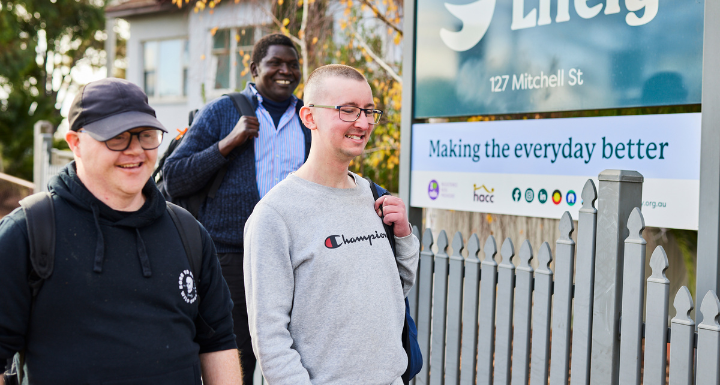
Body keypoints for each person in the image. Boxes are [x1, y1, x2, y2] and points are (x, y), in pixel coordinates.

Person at [0, 78, 240, 385]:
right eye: (117, 138)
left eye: (146, 135)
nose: (135, 150)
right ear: (75, 142)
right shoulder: (27, 233)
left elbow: (218, 340)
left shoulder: (188, 233)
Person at [243, 64, 420, 384]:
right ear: (309, 117)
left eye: (368, 110)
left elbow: (395, 292)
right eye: (348, 110)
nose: (363, 123)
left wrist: (404, 235)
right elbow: (270, 339)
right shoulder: (275, 215)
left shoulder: (374, 198)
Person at [163, 33, 310, 384]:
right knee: (233, 360)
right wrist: (228, 143)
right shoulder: (223, 111)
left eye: (292, 65)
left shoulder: (309, 118)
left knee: (295, 355)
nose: (285, 71)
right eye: (276, 63)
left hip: (295, 258)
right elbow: (174, 178)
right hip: (231, 258)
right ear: (255, 67)